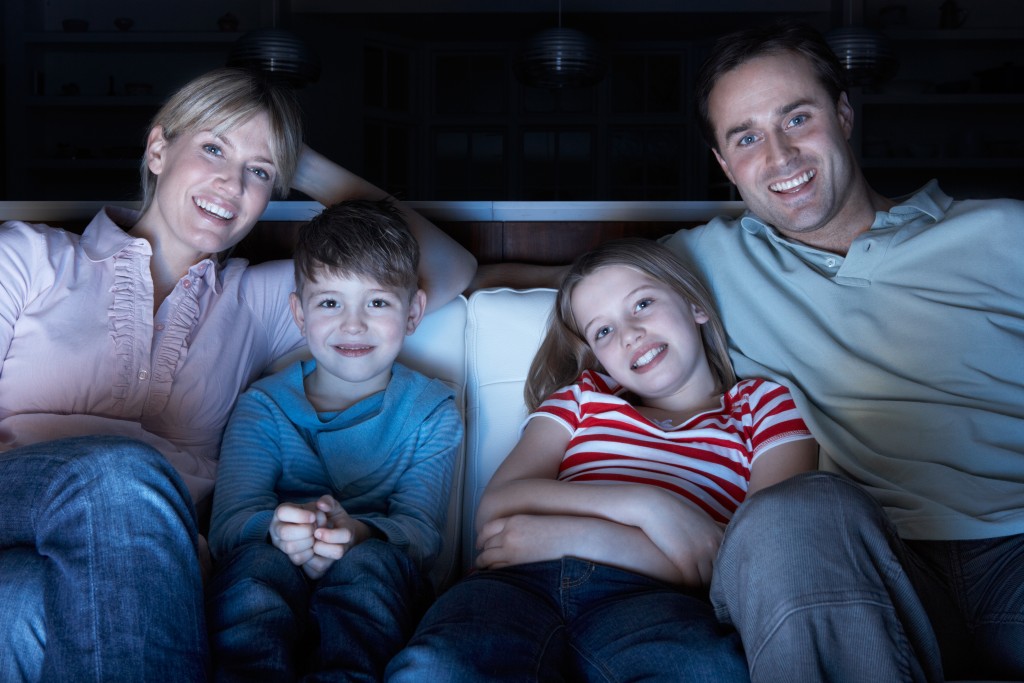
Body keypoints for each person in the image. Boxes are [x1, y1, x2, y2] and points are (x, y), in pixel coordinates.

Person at [473, 18, 1024, 683]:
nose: (781, 157)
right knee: (791, 513)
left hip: (1012, 550)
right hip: (836, 559)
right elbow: (464, 276)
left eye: (797, 118)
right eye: (747, 136)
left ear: (844, 114)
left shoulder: (1002, 232)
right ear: (725, 165)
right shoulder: (699, 266)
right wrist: (309, 163)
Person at [0, 67, 475, 682]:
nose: (232, 183)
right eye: (214, 148)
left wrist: (296, 161)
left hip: (151, 560)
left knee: (29, 610)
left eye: (259, 171)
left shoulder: (252, 300)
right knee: (119, 471)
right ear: (157, 149)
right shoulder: (27, 257)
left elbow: (446, 266)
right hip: (17, 496)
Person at [387, 238, 817, 682]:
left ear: (694, 305)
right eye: (603, 331)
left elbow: (759, 558)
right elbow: (497, 508)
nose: (629, 334)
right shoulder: (582, 398)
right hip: (518, 586)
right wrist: (649, 507)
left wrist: (573, 538)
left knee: (706, 671)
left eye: (643, 303)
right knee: (435, 667)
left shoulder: (762, 404)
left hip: (657, 603)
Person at [206, 198, 463, 681]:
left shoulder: (432, 412)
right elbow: (229, 525)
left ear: (413, 313)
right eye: (329, 302)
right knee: (254, 575)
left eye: (378, 301)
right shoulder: (264, 407)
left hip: (377, 577)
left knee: (369, 570)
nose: (353, 324)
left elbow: (422, 534)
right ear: (299, 315)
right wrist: (282, 531)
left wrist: (358, 534)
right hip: (273, 560)